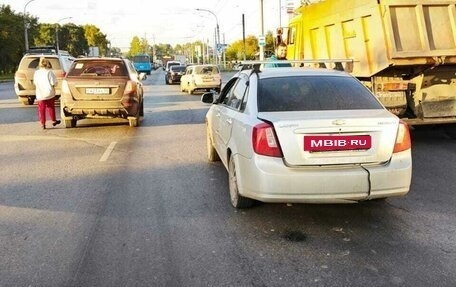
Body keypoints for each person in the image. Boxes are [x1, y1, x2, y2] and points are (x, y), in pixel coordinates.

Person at [33, 57, 60, 129]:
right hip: (49, 93)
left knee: (41, 109)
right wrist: (55, 85)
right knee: (51, 107)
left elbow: (35, 82)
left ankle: (43, 124)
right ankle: (54, 120)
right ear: (47, 64)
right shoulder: (49, 72)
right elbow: (53, 83)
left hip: (40, 94)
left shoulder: (36, 73)